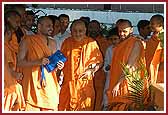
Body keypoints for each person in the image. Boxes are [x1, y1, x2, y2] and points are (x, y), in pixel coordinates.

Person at [17, 16, 64, 111]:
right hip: (33, 85)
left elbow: (51, 66)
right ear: (39, 26)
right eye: (48, 26)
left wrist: (58, 66)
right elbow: (19, 63)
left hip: (49, 85)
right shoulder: (27, 40)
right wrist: (37, 62)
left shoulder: (53, 43)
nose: (51, 28)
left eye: (52, 26)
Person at [59, 19, 103, 111]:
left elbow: (99, 62)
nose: (77, 33)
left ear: (85, 30)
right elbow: (61, 60)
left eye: (80, 31)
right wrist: (59, 67)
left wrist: (91, 70)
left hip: (84, 84)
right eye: (75, 31)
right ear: (70, 31)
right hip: (68, 84)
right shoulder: (67, 42)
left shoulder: (91, 43)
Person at [106, 19, 146, 110]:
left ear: (131, 30)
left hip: (128, 84)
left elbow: (130, 65)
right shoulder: (119, 44)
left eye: (124, 31)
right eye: (120, 31)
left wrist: (118, 84)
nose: (122, 34)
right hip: (117, 82)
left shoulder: (136, 43)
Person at [4, 10, 25, 111]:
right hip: (6, 85)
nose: (18, 24)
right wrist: (12, 72)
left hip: (12, 83)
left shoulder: (11, 42)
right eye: (16, 21)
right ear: (8, 19)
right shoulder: (4, 45)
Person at [88, 20, 110, 110]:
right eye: (91, 27)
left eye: (95, 28)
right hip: (86, 77)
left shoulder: (106, 42)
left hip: (100, 78)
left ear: (99, 29)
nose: (93, 30)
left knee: (98, 102)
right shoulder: (84, 41)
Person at [102, 27, 120, 110]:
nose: (113, 41)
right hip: (110, 77)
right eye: (111, 39)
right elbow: (105, 64)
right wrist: (107, 67)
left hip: (120, 77)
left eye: (115, 39)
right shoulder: (109, 49)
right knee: (107, 97)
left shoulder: (124, 48)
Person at [146, 14, 164, 84]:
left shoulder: (163, 37)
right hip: (149, 68)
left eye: (152, 23)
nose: (150, 25)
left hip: (159, 70)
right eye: (150, 23)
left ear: (160, 24)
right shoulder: (152, 37)